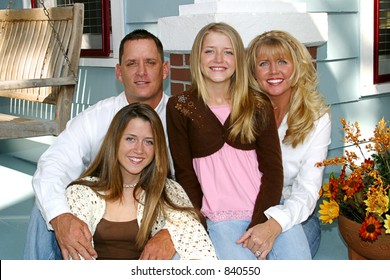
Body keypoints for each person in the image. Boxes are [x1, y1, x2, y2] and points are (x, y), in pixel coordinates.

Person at [23, 29, 176, 260]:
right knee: (44, 211)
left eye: (150, 63)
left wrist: (171, 232)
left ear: (165, 69)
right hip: (104, 212)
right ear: (119, 72)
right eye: (132, 63)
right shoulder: (97, 117)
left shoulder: (181, 119)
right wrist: (61, 216)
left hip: (158, 213)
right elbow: (54, 162)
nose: (141, 72)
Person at [166, 22, 284, 260]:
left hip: (268, 212)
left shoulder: (257, 103)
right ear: (197, 57)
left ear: (238, 59)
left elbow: (273, 169)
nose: (218, 58)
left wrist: (261, 221)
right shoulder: (181, 106)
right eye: (210, 50)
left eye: (228, 51)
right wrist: (201, 221)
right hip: (220, 217)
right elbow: (185, 174)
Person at [65, 103, 217, 260]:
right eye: (130, 139)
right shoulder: (81, 192)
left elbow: (197, 243)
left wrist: (169, 233)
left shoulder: (167, 190)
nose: (139, 150)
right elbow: (76, 260)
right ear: (115, 141)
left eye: (149, 142)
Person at [245, 30, 331, 259]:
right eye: (264, 63)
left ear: (297, 66)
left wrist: (274, 225)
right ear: (254, 72)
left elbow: (307, 190)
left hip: (296, 212)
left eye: (282, 61)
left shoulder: (317, 118)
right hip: (248, 205)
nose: (273, 71)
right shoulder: (244, 113)